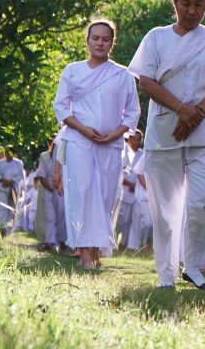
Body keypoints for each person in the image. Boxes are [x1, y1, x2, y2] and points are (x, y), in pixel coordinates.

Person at [128, 0, 205, 289]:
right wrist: (181, 109)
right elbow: (146, 80)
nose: (192, 11)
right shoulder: (156, 37)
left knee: (202, 201)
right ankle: (167, 273)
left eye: (199, 5)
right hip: (166, 130)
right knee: (164, 209)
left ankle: (194, 265)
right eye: (186, 4)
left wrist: (197, 113)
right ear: (174, 3)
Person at [53, 19, 141, 270]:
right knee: (81, 194)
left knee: (104, 196)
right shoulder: (72, 70)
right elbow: (61, 106)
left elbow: (132, 112)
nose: (100, 43)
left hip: (111, 144)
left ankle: (96, 249)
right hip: (79, 141)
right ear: (87, 40)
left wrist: (116, 134)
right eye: (96, 38)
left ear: (112, 43)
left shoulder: (123, 74)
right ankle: (84, 253)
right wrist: (83, 129)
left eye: (106, 39)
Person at [115, 131, 142, 248]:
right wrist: (128, 183)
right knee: (122, 219)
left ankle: (125, 244)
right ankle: (115, 239)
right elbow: (119, 171)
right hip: (124, 189)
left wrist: (136, 185)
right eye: (133, 139)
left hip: (137, 191)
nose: (136, 142)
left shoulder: (142, 154)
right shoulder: (124, 152)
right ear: (129, 140)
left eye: (138, 139)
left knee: (133, 220)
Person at [0, 148, 26, 235]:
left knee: (12, 210)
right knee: (2, 209)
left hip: (14, 189)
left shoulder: (18, 163)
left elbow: (21, 177)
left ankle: (9, 230)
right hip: (2, 188)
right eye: (6, 153)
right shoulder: (0, 163)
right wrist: (4, 181)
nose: (7, 155)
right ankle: (3, 228)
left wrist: (13, 183)